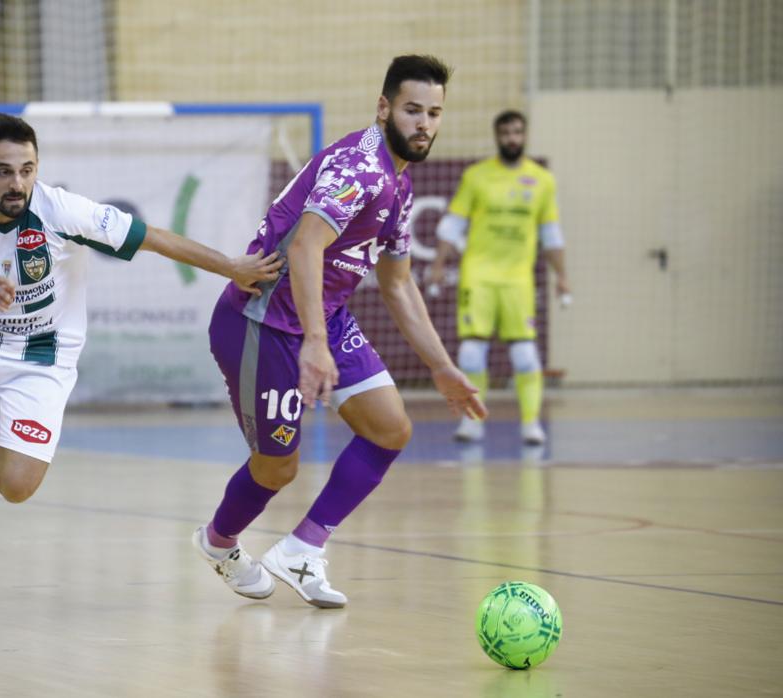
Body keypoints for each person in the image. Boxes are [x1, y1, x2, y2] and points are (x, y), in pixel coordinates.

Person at [0, 112, 282, 616]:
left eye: (27, 169)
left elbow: (153, 237)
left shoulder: (62, 210)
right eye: (3, 171)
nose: (17, 182)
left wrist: (233, 268)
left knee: (16, 486)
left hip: (42, 358)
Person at [192, 55, 487, 609]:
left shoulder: (398, 184)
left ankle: (302, 547)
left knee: (390, 428)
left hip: (323, 316)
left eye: (434, 113)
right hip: (260, 322)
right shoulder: (361, 167)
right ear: (384, 108)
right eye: (412, 110)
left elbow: (398, 285)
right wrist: (315, 346)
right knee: (279, 467)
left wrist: (442, 366)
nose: (424, 123)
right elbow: (305, 247)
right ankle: (218, 542)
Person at [429, 110, 570, 445]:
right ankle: (471, 423)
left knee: (524, 355)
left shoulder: (542, 180)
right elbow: (453, 224)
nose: (512, 138)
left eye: (518, 132)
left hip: (518, 280)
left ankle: (531, 425)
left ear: (525, 135)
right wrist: (438, 262)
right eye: (506, 132)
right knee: (471, 354)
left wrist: (562, 276)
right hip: (478, 276)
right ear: (497, 136)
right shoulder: (477, 176)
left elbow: (551, 234)